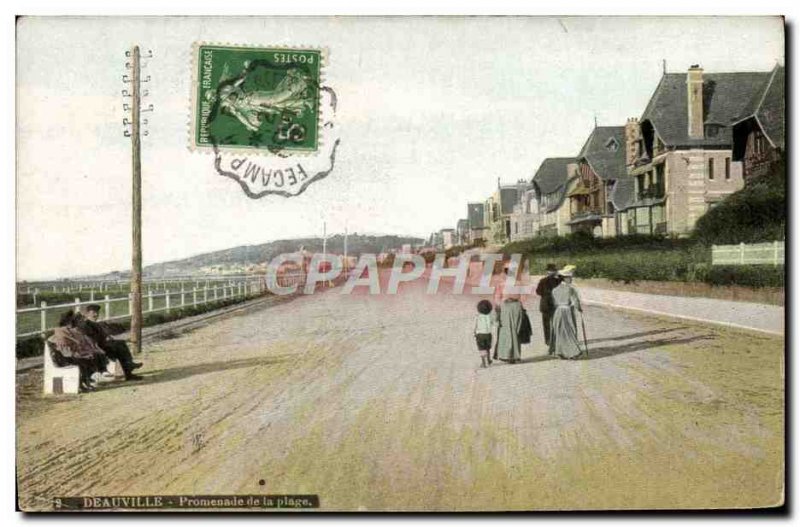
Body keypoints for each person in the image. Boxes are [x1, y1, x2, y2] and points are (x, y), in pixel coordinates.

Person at [75, 304, 143, 381]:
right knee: (119, 347)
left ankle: (129, 369)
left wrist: (110, 339)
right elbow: (88, 340)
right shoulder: (85, 325)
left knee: (120, 344)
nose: (96, 315)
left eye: (97, 312)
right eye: (93, 312)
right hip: (92, 349)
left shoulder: (96, 324)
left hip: (101, 347)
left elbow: (105, 336)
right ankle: (129, 368)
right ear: (87, 314)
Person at [47, 311, 109, 392]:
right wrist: (82, 354)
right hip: (63, 357)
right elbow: (66, 350)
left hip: (69, 355)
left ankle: (86, 383)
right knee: (84, 361)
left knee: (89, 359)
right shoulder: (61, 332)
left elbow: (77, 345)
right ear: (68, 322)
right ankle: (82, 384)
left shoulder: (70, 331)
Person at [492, 259, 531, 364]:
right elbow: (497, 297)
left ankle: (515, 355)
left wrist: (520, 305)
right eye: (507, 270)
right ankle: (506, 355)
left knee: (515, 331)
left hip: (516, 307)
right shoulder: (501, 284)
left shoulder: (519, 283)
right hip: (506, 307)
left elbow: (523, 296)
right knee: (506, 331)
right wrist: (501, 305)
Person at [548, 266, 587, 360]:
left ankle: (560, 351)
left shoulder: (555, 290)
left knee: (559, 332)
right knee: (569, 331)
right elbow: (576, 301)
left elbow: (553, 302)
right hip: (567, 312)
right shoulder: (571, 289)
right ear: (565, 278)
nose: (571, 279)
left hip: (558, 312)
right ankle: (573, 352)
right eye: (569, 278)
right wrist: (579, 309)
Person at [535, 263, 562, 347]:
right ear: (554, 272)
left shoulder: (542, 280)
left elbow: (538, 292)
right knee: (556, 322)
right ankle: (556, 339)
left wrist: (545, 294)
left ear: (547, 272)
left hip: (545, 304)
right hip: (555, 304)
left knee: (546, 324)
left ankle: (548, 340)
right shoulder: (558, 281)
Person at [474, 299, 495, 368]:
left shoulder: (478, 316)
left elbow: (475, 325)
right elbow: (493, 323)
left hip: (480, 334)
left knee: (482, 349)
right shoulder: (490, 316)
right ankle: (488, 360)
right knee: (487, 348)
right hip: (488, 334)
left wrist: (474, 332)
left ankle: (484, 363)